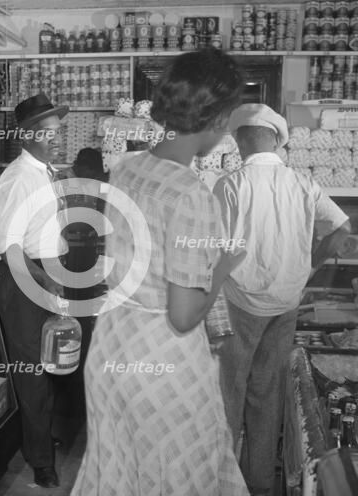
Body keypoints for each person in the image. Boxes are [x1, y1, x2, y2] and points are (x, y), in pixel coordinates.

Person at [71, 49, 249, 496]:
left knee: (117, 471)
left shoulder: (127, 168)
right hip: (161, 360)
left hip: (112, 345)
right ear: (219, 119)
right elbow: (184, 316)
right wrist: (224, 265)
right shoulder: (192, 194)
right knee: (181, 474)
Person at [212, 103, 351, 496]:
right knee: (267, 393)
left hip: (240, 303)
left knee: (228, 395)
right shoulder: (303, 183)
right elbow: (342, 228)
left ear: (240, 141)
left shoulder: (230, 184)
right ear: (275, 140)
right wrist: (308, 266)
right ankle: (257, 484)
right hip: (286, 303)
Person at [0, 93, 69, 489]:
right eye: (50, 132)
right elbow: (11, 248)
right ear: (29, 134)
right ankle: (41, 461)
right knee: (33, 373)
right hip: (26, 283)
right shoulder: (19, 179)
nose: (57, 137)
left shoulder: (44, 171)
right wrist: (47, 282)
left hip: (47, 276)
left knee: (53, 363)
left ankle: (42, 437)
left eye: (58, 130)